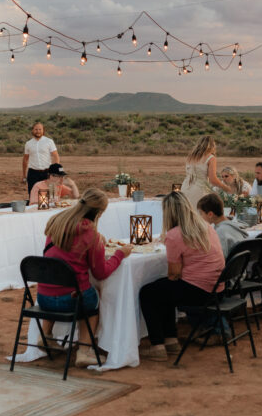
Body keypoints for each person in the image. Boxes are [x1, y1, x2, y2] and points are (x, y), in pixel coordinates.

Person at [36, 188, 132, 367]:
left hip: (43, 299)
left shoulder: (56, 223)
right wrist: (119, 254)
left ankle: (46, 334)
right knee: (92, 296)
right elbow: (100, 273)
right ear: (100, 212)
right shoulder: (91, 236)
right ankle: (84, 350)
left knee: (57, 282)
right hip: (70, 301)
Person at [138, 191, 225, 362]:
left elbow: (174, 273)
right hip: (216, 288)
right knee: (165, 289)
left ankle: (158, 345)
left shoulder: (175, 235)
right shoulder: (204, 226)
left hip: (200, 292)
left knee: (148, 293)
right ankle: (171, 340)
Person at [180, 135, 228, 208]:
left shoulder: (190, 156)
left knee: (188, 213)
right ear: (212, 145)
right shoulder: (211, 158)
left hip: (185, 187)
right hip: (200, 189)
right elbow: (213, 180)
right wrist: (225, 187)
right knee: (201, 214)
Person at [23, 122, 59, 196]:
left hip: (47, 173)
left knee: (50, 196)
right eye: (36, 129)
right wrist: (24, 175)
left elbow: (56, 156)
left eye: (40, 129)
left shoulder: (49, 141)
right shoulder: (28, 143)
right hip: (33, 173)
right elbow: (25, 160)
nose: (38, 131)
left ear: (43, 130)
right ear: (32, 130)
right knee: (33, 195)